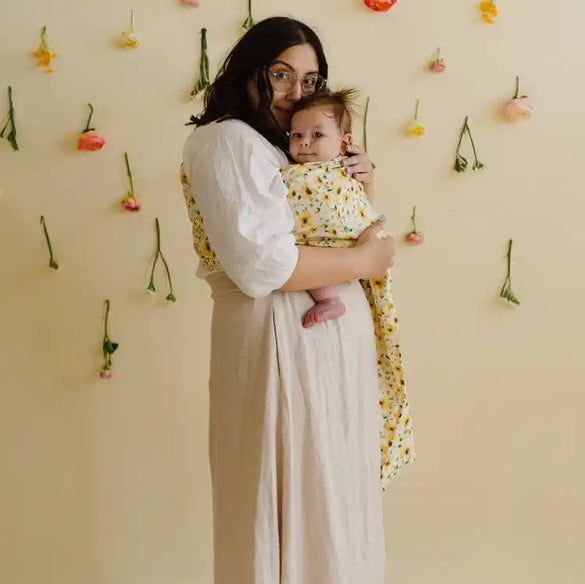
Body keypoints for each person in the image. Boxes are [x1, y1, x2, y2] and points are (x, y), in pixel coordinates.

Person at [180, 17, 395, 584]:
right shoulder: (227, 139)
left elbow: (333, 225)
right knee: (284, 510)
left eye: (310, 79)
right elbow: (263, 265)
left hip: (323, 345)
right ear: (250, 70)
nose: (295, 93)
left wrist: (360, 186)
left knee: (330, 506)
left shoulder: (292, 148)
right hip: (278, 342)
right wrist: (364, 263)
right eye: (281, 74)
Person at [281, 87, 415, 486]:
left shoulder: (343, 172)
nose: (303, 143)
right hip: (330, 264)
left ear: (344, 142)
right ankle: (327, 295)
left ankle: (328, 294)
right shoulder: (295, 172)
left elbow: (355, 214)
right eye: (296, 136)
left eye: (316, 136)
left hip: (345, 256)